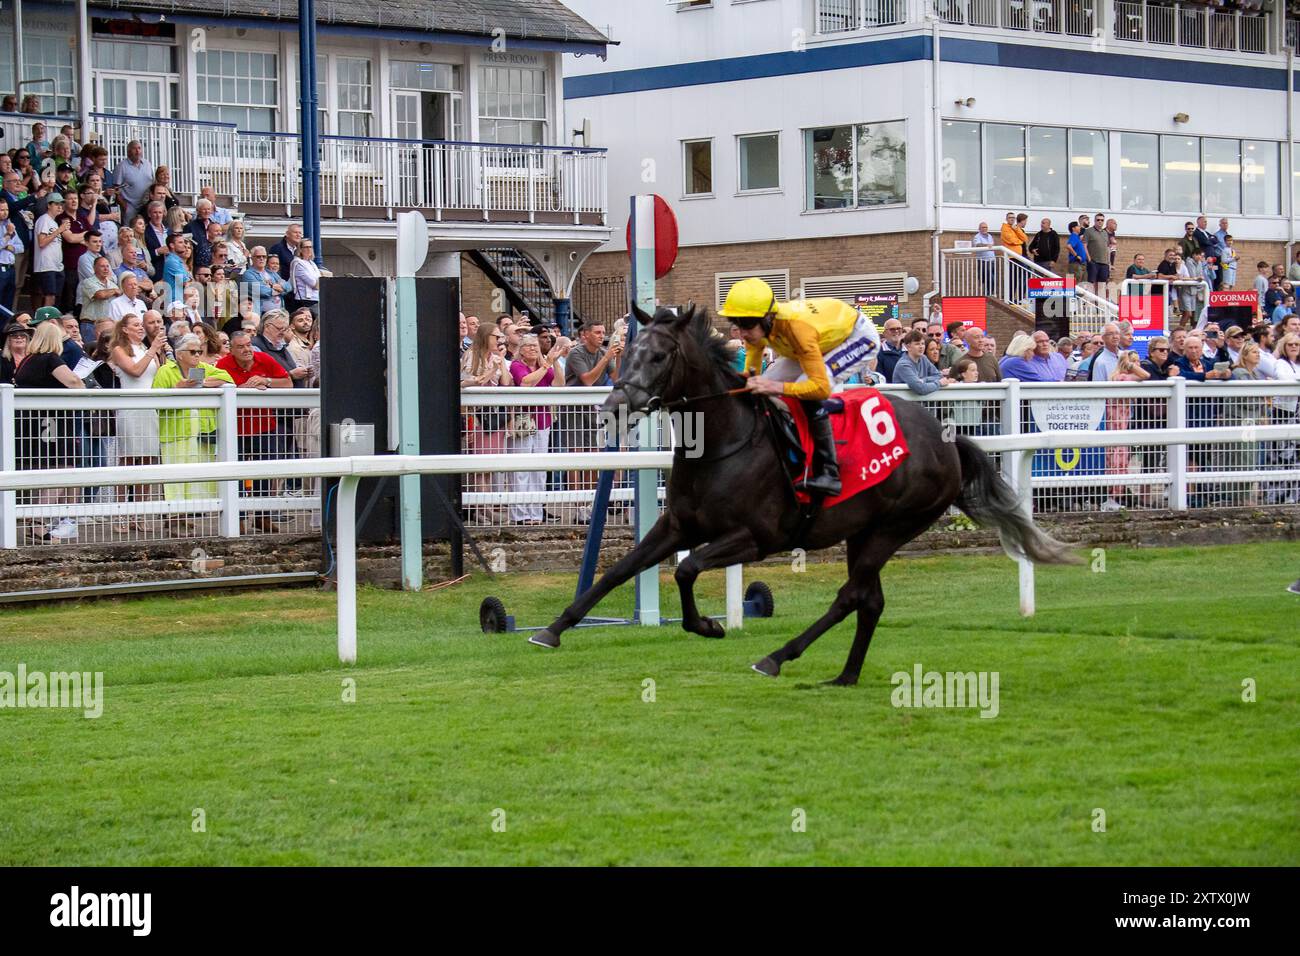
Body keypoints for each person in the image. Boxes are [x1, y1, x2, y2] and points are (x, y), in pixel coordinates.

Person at [720, 277, 883, 496]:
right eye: (737, 324)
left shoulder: (797, 329)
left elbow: (819, 388)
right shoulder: (758, 328)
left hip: (857, 336)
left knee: (802, 388)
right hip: (814, 341)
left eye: (747, 324)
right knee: (766, 385)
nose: (743, 333)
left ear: (768, 318)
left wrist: (778, 387)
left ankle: (829, 472)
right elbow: (752, 376)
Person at [152, 332, 235, 529]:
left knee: (195, 477)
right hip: (175, 433)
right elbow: (155, 400)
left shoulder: (205, 368)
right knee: (175, 477)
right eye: (193, 352)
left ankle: (184, 515)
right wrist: (177, 388)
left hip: (201, 433)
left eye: (200, 351)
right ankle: (174, 518)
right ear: (180, 354)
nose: (197, 355)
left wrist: (203, 383)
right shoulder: (166, 370)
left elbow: (228, 379)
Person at [14, 321, 85, 541]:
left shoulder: (27, 360)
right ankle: (37, 523)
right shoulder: (50, 358)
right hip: (51, 425)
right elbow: (73, 381)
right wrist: (84, 386)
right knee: (61, 471)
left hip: (32, 425)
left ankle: (36, 521)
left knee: (56, 471)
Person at [106, 312, 166, 531]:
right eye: (136, 325)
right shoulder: (119, 350)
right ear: (124, 329)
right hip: (131, 409)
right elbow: (135, 371)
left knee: (149, 460)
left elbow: (158, 377)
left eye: (142, 325)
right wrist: (152, 350)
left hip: (150, 408)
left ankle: (139, 514)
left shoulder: (146, 349)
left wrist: (157, 353)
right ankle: (121, 514)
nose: (141, 328)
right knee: (128, 460)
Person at [507, 333, 560, 525]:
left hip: (543, 419)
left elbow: (559, 384)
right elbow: (525, 382)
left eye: (535, 346)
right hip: (523, 421)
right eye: (528, 346)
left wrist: (555, 361)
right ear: (520, 350)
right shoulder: (516, 365)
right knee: (521, 468)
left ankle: (536, 513)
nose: (533, 349)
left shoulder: (543, 365)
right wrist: (546, 365)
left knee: (538, 469)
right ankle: (520, 514)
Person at [251, 309, 307, 385]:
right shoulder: (255, 346)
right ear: (267, 326)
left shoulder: (282, 346)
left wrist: (304, 373)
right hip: (274, 395)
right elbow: (258, 376)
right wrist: (290, 375)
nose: (282, 332)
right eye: (279, 328)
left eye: (285, 329)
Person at [32, 193, 67, 309]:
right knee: (49, 296)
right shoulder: (44, 220)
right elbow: (42, 242)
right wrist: (59, 230)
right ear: (49, 205)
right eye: (56, 204)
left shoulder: (54, 222)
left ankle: (50, 321)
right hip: (46, 266)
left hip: (56, 265)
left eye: (61, 204)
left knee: (55, 298)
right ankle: (44, 322)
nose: (59, 207)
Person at [893, 329, 950, 395]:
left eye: (922, 344)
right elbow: (921, 388)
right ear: (908, 346)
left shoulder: (923, 358)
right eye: (917, 344)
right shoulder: (903, 365)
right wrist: (939, 383)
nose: (921, 347)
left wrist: (924, 380)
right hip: (903, 403)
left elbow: (939, 376)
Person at [289, 238, 331, 319]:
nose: (309, 249)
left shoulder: (312, 263)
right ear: (300, 249)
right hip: (306, 300)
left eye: (310, 247)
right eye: (306, 247)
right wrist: (322, 278)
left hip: (316, 298)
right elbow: (314, 284)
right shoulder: (298, 263)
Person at [111, 141, 153, 220]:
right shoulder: (121, 167)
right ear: (128, 151)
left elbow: (153, 182)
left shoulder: (147, 164)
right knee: (130, 229)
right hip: (131, 207)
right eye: (134, 149)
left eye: (139, 148)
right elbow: (116, 188)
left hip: (146, 205)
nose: (137, 151)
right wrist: (125, 206)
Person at [0, 197, 24, 316]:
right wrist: (8, 235)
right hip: (0, 268)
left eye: (6, 209)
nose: (5, 213)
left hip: (11, 268)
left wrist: (8, 246)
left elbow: (20, 247)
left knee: (8, 304)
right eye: (1, 210)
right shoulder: (9, 229)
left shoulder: (9, 225)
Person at [876, 316, 905, 382]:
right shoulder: (878, 353)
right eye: (892, 329)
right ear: (884, 333)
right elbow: (879, 378)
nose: (896, 331)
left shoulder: (910, 350)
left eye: (899, 329)